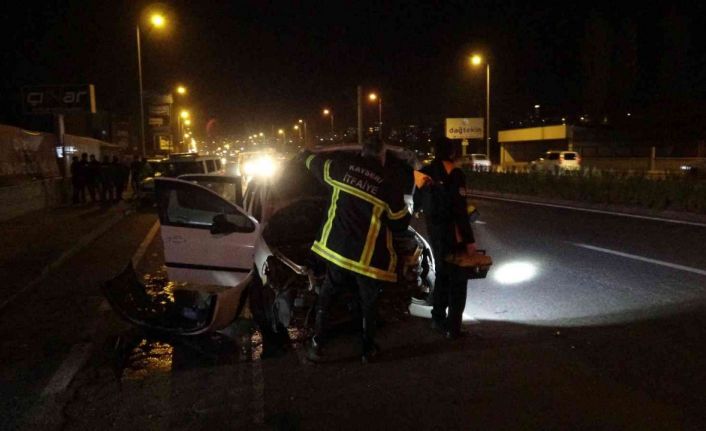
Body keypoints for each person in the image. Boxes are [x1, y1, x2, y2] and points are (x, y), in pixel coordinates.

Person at [302, 136, 412, 363]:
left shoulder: (340, 169)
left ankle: (317, 344)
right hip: (366, 259)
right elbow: (400, 224)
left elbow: (313, 164)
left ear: (363, 152)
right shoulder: (388, 185)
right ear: (382, 156)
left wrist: (305, 154)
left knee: (327, 296)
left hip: (336, 251)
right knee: (368, 303)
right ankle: (367, 349)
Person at [416, 136, 477, 339]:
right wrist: (469, 241)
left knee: (442, 274)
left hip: (434, 233)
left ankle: (437, 318)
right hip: (453, 235)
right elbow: (460, 211)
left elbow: (416, 202)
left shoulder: (423, 172)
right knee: (459, 281)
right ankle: (454, 328)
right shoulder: (455, 173)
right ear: (452, 152)